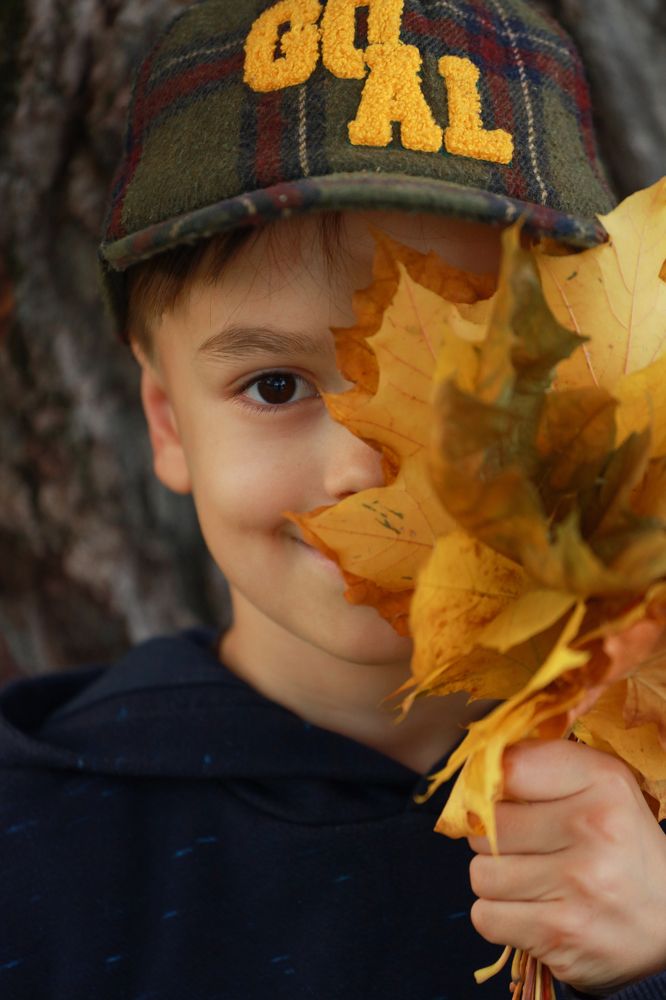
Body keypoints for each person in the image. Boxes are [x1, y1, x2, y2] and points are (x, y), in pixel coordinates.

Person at [1, 1, 664, 997]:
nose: (365, 467)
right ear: (168, 422)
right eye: (275, 386)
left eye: (467, 377)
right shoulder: (34, 847)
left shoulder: (644, 784)